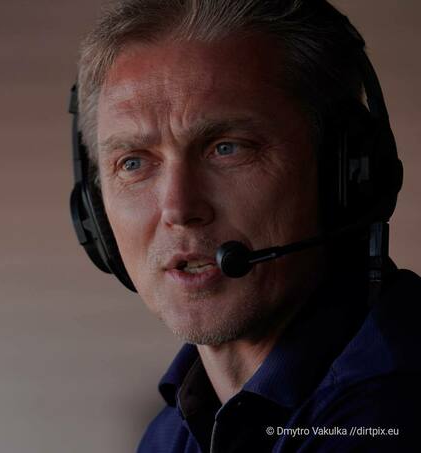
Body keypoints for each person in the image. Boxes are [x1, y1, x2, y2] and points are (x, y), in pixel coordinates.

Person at [68, 0, 421, 452]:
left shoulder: (392, 412)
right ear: (94, 210)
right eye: (133, 162)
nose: (178, 208)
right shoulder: (171, 432)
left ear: (347, 174)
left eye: (227, 148)